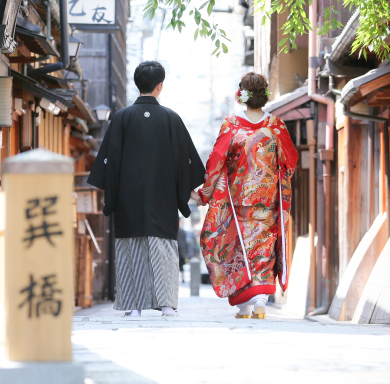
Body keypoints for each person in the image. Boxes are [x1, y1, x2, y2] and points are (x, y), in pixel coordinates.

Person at [88, 61, 205, 317]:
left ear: (136, 84)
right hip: (163, 198)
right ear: (160, 86)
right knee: (163, 248)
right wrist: (188, 192)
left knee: (131, 248)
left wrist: (111, 197)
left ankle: (133, 305)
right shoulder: (171, 119)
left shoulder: (121, 118)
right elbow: (185, 162)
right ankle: (166, 304)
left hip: (129, 198)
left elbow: (109, 161)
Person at [193, 72, 298, 319]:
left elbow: (217, 160)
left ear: (242, 95)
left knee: (239, 248)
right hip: (268, 200)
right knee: (263, 247)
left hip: (237, 201)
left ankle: (244, 305)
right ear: (264, 95)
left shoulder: (232, 125)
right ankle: (259, 302)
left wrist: (206, 193)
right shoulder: (275, 127)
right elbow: (289, 160)